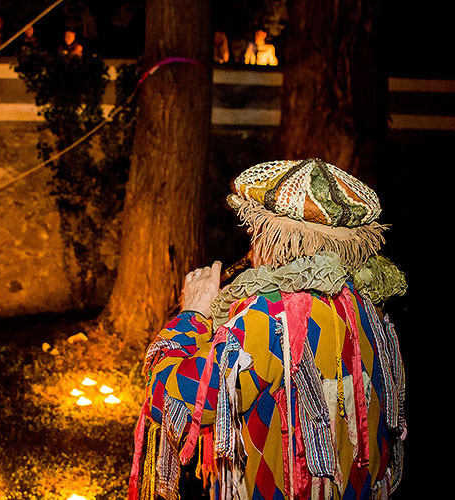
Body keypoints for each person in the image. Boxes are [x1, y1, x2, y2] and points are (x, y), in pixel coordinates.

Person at [129, 159, 407, 500]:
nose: (250, 246)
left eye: (256, 231)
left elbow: (174, 402)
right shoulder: (365, 302)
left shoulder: (271, 316)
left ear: (277, 238)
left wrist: (193, 315)